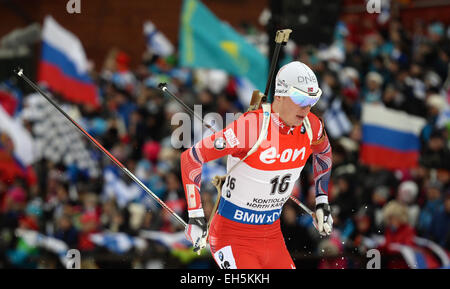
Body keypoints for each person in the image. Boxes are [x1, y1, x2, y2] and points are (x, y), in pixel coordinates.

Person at [179, 61, 333, 269]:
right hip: (232, 237)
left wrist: (322, 200)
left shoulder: (311, 126)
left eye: (313, 100)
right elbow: (191, 157)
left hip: (271, 235)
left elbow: (323, 152)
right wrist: (196, 215)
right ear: (279, 94)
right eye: (300, 98)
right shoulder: (252, 127)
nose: (306, 107)